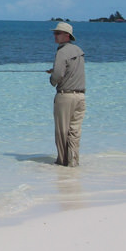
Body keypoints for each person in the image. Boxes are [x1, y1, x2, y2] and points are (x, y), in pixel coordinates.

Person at [47, 22, 85, 167]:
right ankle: (73, 162)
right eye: (54, 33)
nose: (54, 36)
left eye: (58, 33)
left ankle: (62, 163)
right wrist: (55, 70)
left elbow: (57, 75)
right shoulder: (79, 50)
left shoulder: (61, 52)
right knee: (74, 131)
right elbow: (72, 70)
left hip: (65, 96)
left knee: (62, 132)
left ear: (67, 35)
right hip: (80, 97)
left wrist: (52, 79)